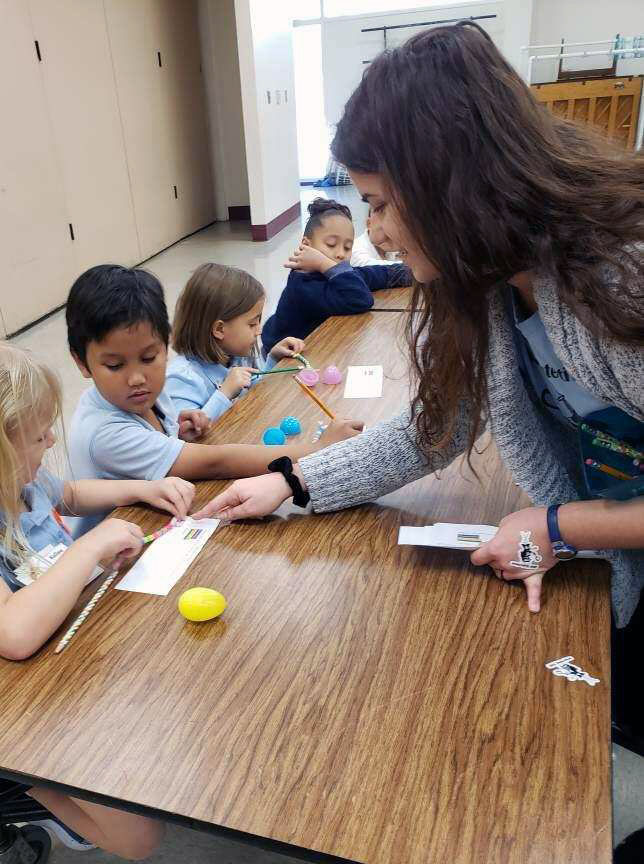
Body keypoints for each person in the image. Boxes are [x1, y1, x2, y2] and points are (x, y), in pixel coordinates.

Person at [195, 24, 644, 745]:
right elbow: (438, 424)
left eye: (378, 202)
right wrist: (293, 481)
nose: (373, 231)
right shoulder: (490, 279)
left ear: (449, 184)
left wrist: (561, 526)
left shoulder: (620, 275)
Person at [0, 335, 193, 858]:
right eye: (36, 438)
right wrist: (89, 551)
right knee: (138, 838)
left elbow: (73, 494)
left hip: (77, 658)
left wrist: (139, 489)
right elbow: (13, 634)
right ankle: (25, 787)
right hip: (29, 699)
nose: (50, 441)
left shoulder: (16, 482)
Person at [66, 265, 361, 534]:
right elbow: (216, 462)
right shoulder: (105, 432)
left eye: (148, 357)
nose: (137, 378)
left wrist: (176, 433)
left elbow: (166, 447)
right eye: (115, 366)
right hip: (117, 560)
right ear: (81, 362)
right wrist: (319, 449)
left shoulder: (146, 395)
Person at [260, 197, 411, 356]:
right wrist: (325, 264)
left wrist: (408, 272)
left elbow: (371, 275)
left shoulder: (333, 272)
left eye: (347, 248)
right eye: (331, 244)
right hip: (280, 356)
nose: (340, 254)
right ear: (306, 244)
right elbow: (359, 299)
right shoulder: (302, 285)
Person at [166, 263, 304, 421]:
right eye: (252, 324)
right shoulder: (181, 379)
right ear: (219, 329)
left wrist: (272, 359)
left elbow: (254, 393)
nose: (259, 330)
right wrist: (225, 393)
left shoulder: (236, 353)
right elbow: (187, 438)